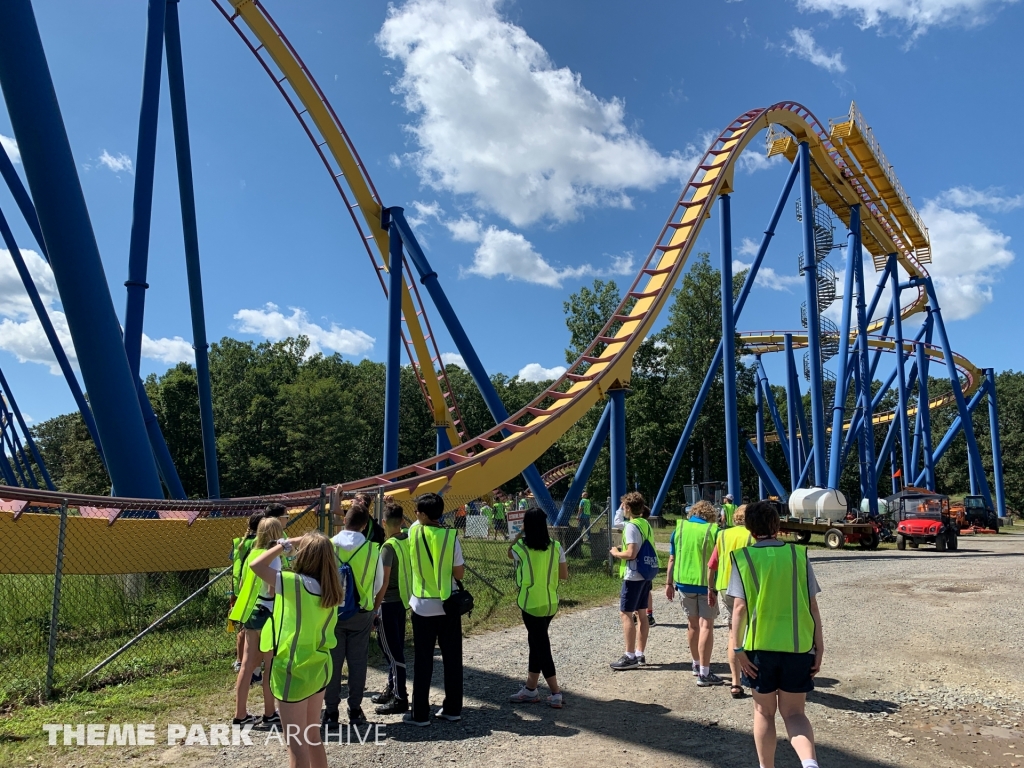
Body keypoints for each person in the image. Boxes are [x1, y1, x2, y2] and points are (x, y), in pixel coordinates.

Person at [729, 501, 824, 768]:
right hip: (798, 646)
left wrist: (738, 650)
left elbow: (739, 609)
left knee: (764, 712)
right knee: (795, 714)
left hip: (760, 649)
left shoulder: (743, 558)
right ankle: (809, 764)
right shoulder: (798, 555)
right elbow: (812, 605)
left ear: (749, 527)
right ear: (777, 525)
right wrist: (819, 645)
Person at [248, 531, 342, 768]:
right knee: (312, 736)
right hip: (319, 666)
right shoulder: (332, 587)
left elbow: (256, 564)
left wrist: (284, 544)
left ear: (305, 555)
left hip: (293, 669)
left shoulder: (294, 583)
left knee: (296, 744)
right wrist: (309, 542)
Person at [404, 492, 465, 726]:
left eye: (417, 511)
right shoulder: (451, 537)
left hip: (421, 604)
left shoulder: (414, 531)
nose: (415, 515)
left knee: (423, 661)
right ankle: (452, 709)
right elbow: (458, 573)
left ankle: (419, 714)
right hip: (447, 604)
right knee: (452, 659)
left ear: (424, 514)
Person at [322, 504, 384, 727]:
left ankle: (330, 712)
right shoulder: (372, 549)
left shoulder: (328, 545)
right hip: (361, 611)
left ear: (344, 521)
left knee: (333, 662)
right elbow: (378, 583)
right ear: (365, 525)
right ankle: (355, 710)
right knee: (358, 662)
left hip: (332, 613)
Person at [508, 508, 569, 708]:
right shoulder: (556, 546)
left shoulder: (522, 547)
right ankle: (530, 688)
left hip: (530, 603)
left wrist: (520, 532)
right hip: (550, 603)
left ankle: (555, 692)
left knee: (541, 646)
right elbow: (563, 575)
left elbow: (509, 553)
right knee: (536, 642)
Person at [228, 515, 285, 726]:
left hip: (251, 613)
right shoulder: (274, 557)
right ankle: (270, 712)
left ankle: (240, 714)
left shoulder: (252, 553)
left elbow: (243, 584)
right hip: (267, 612)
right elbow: (273, 590)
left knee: (246, 665)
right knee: (269, 665)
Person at [665, 499, 722, 686]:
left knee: (692, 626)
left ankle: (696, 664)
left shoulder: (679, 529)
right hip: (706, 585)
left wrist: (668, 583)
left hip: (683, 584)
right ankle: (704, 673)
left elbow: (672, 558)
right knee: (706, 626)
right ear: (710, 515)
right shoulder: (714, 531)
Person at [708, 504, 753, 698]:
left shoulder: (722, 535)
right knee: (751, 632)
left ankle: (735, 682)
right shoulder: (753, 535)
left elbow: (713, 564)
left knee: (733, 634)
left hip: (725, 586)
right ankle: (751, 675)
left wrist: (711, 588)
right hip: (748, 588)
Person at [608, 491, 656, 670]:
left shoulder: (630, 526)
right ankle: (639, 652)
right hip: (645, 574)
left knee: (626, 613)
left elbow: (631, 554)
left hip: (633, 575)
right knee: (642, 614)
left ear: (627, 508)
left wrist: (615, 553)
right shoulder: (645, 524)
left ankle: (629, 656)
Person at [372, 502, 411, 714]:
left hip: (388, 602)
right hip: (402, 601)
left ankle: (400, 697)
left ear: (384, 522)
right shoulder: (406, 540)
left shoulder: (388, 547)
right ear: (403, 522)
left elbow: (383, 580)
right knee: (395, 649)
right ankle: (392, 688)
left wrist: (374, 607)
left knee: (392, 651)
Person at [230, 512, 263, 673]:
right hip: (254, 590)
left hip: (239, 589)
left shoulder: (238, 542)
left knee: (243, 628)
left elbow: (234, 565)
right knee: (255, 630)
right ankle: (254, 663)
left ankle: (239, 660)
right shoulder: (260, 543)